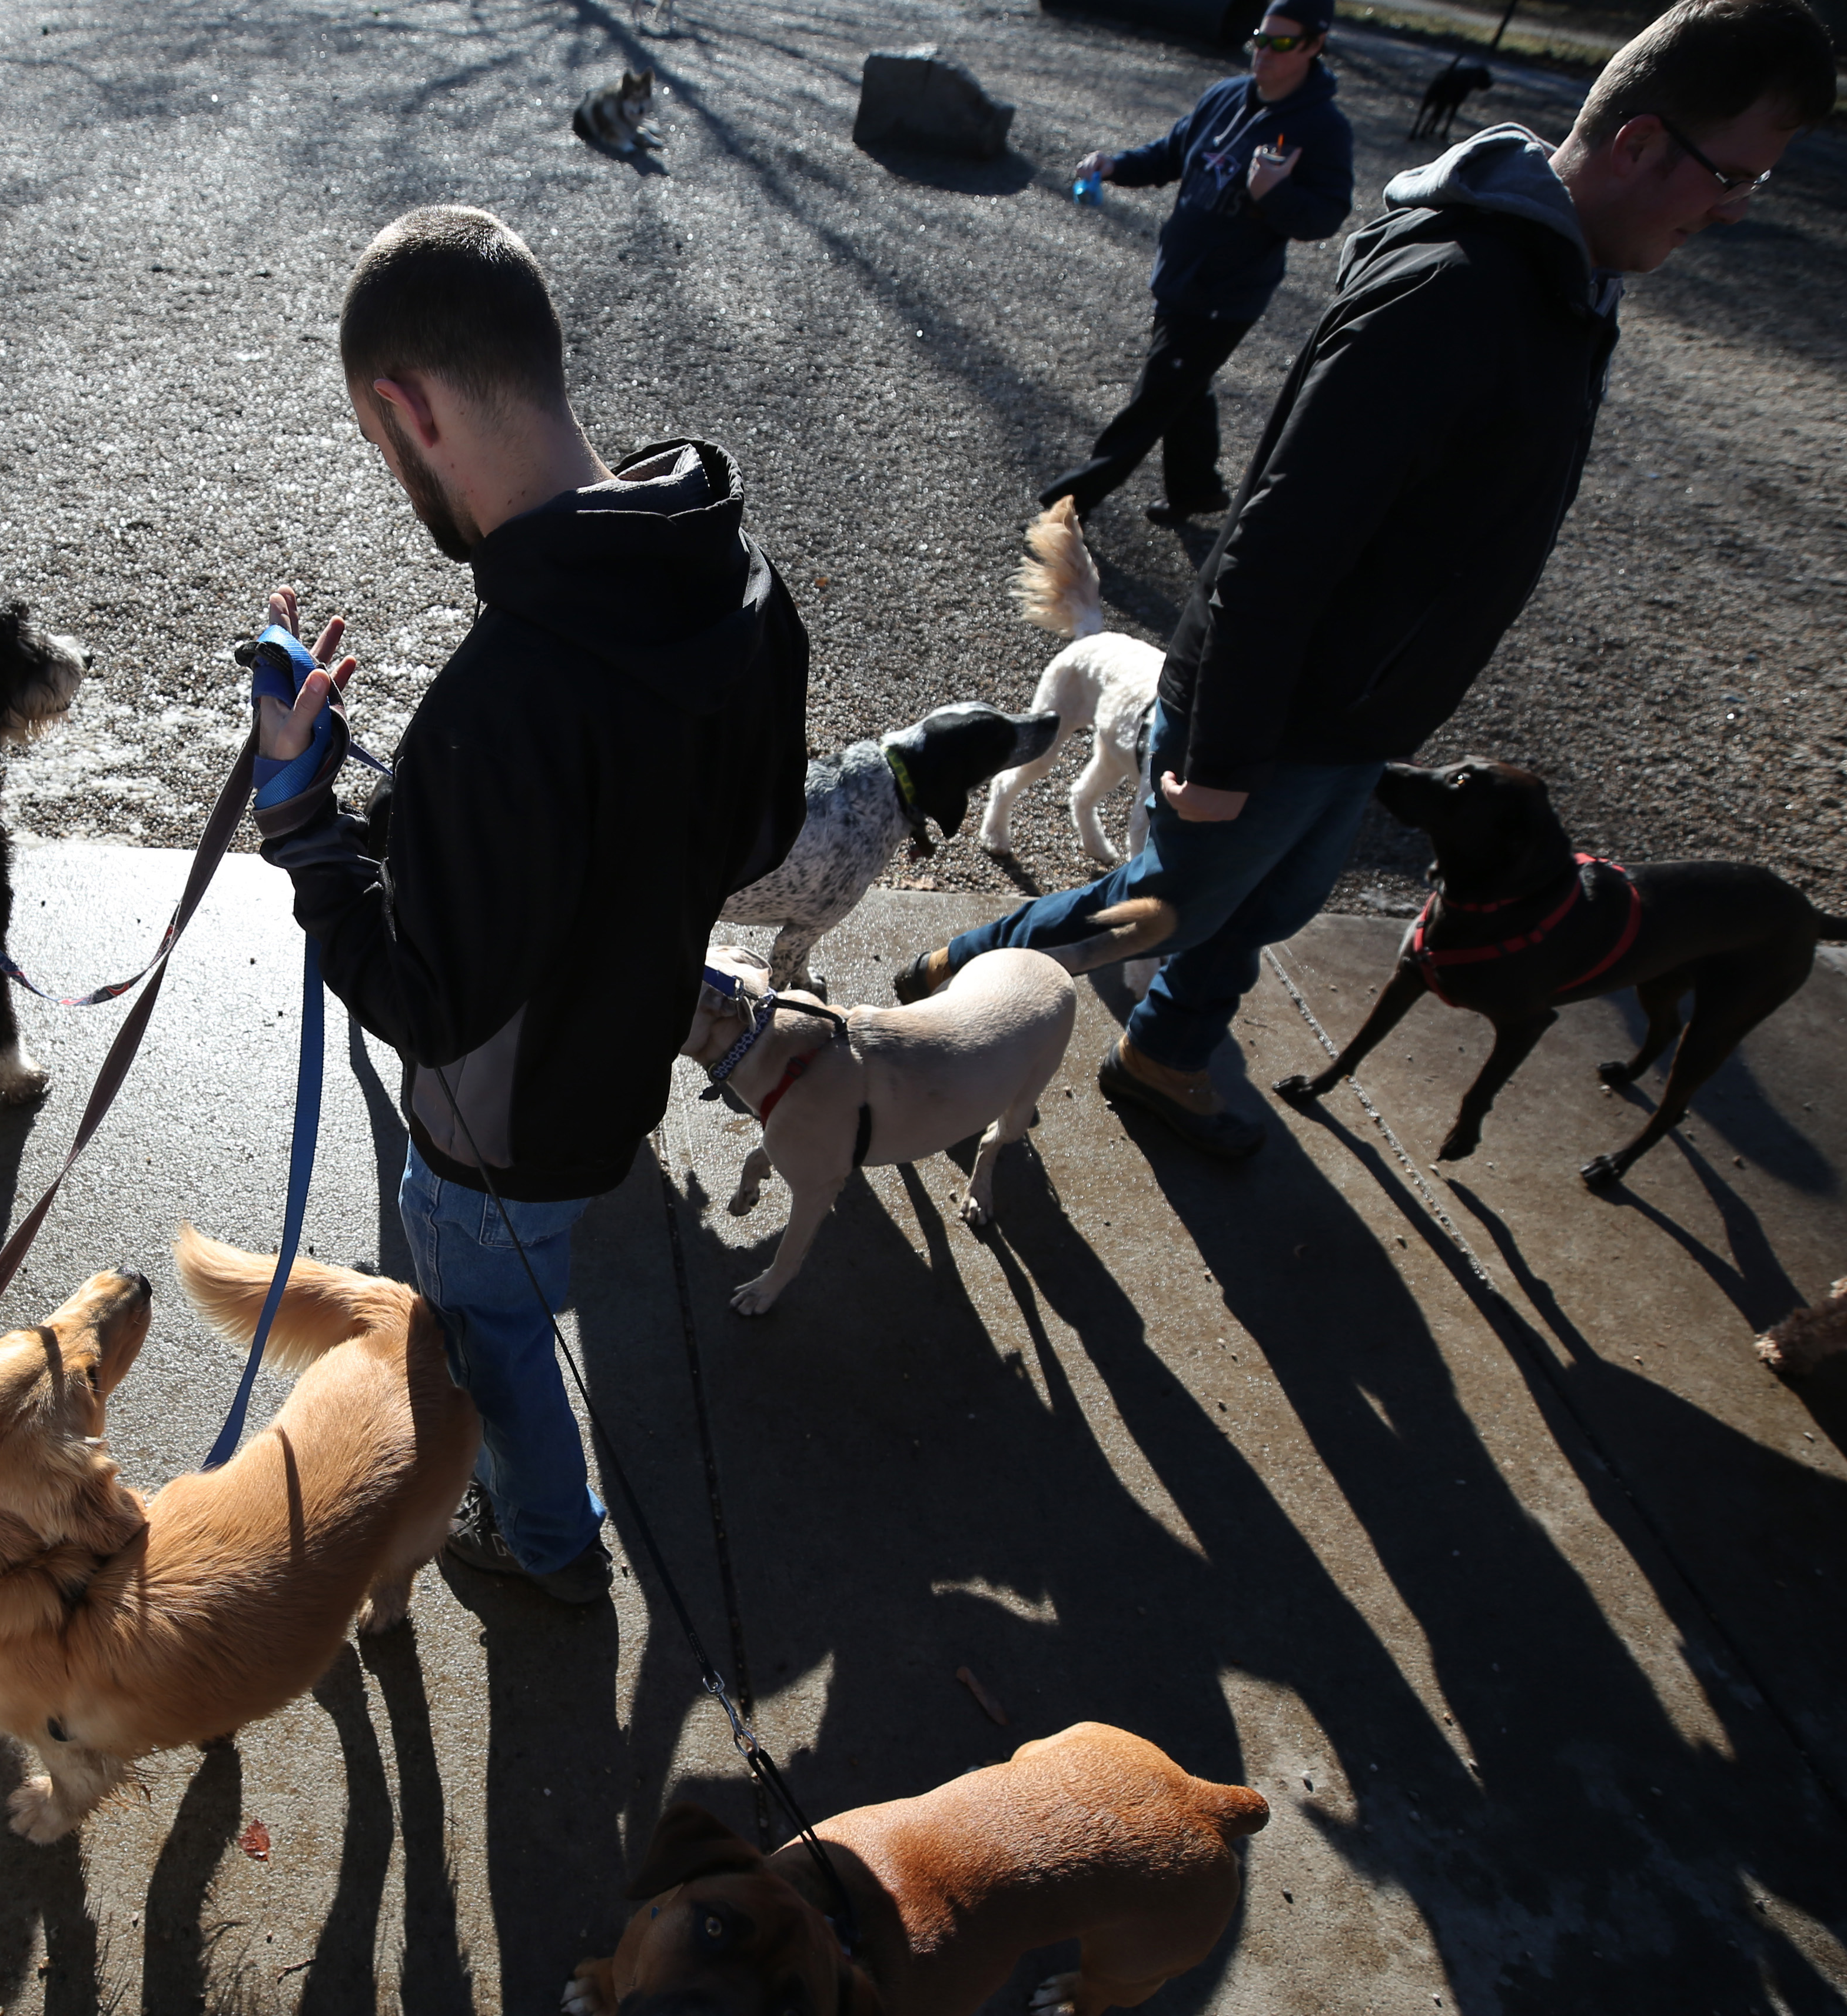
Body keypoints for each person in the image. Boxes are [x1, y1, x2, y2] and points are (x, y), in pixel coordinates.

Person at [905, 0, 1836, 1159]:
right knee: (1161, 904)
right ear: (1643, 144)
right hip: (1282, 712)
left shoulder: (1563, 284)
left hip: (1356, 710)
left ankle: (1162, 1053)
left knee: (1266, 905)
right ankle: (949, 975)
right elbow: (1280, 542)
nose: (1739, 208)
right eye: (1731, 174)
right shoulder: (1460, 290)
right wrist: (1226, 755)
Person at [245, 205, 808, 1603]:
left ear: (404, 404)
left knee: (489, 1342)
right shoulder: (738, 581)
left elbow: (420, 995)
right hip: (610, 1082)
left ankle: (547, 1537)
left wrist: (302, 818)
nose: (393, 477)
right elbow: (754, 829)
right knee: (514, 1300)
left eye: (381, 451)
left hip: (487, 1139)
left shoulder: (495, 708)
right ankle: (545, 1520)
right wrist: (439, 825)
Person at [1041, 0, 1356, 522]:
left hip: (1226, 296)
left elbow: (1324, 218)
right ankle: (1197, 490)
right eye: (1261, 37)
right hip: (1178, 278)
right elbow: (1171, 153)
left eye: (1281, 42)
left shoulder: (1324, 128)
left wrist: (1273, 193)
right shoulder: (1225, 97)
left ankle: (1067, 504)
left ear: (1313, 46)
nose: (1264, 52)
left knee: (1154, 400)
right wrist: (1115, 164)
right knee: (1184, 388)